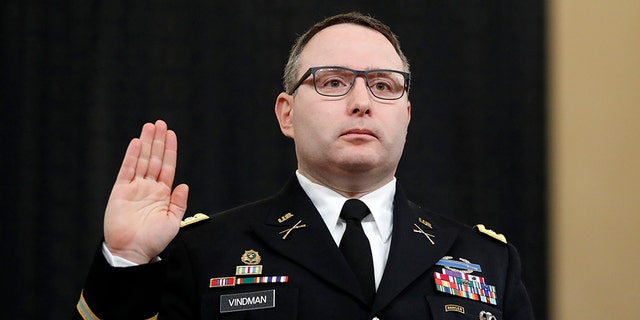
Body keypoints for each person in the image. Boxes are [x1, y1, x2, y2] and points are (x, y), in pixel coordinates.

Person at [75, 12, 534, 319]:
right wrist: (129, 261)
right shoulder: (205, 252)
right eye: (333, 82)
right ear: (286, 113)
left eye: (384, 85)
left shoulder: (486, 261)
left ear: (407, 115)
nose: (361, 103)